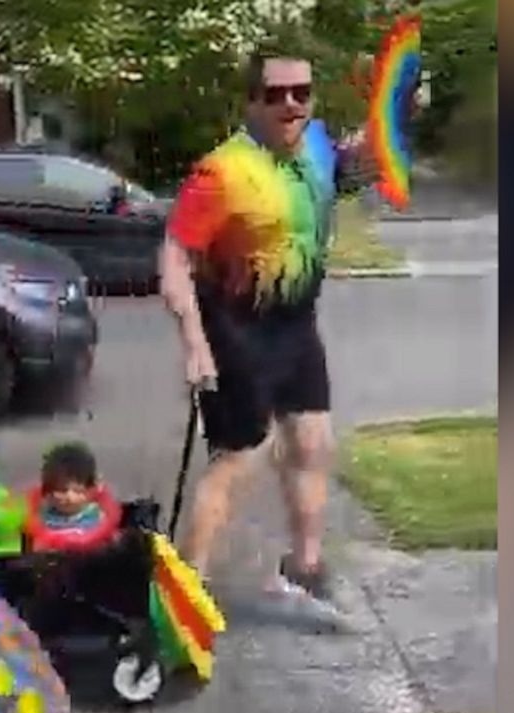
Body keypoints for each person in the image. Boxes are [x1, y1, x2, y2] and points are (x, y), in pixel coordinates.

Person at [158, 46, 369, 621]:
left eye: (301, 92)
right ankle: (184, 595)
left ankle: (302, 568)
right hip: (236, 332)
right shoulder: (220, 172)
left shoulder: (319, 146)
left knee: (312, 444)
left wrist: (391, 116)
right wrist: (196, 344)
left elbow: (358, 168)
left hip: (296, 326)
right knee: (239, 461)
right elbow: (174, 258)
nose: (290, 103)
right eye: (275, 94)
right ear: (252, 101)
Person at [23, 442, 121, 552]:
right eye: (62, 491)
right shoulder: (42, 519)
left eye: (78, 491)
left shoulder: (99, 518)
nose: (70, 497)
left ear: (91, 490)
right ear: (48, 491)